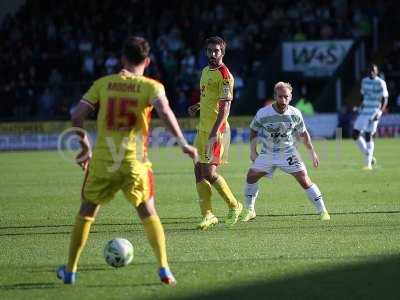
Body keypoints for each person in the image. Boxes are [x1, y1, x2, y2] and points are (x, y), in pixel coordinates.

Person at [56, 36, 197, 286]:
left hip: (103, 162)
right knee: (148, 211)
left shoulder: (103, 84)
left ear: (122, 58)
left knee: (87, 212)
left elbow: (77, 114)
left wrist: (83, 148)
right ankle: (164, 269)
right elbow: (165, 112)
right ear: (147, 60)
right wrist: (183, 143)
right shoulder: (152, 87)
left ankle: (70, 270)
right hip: (135, 161)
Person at [241, 82, 330, 222]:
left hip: (288, 152)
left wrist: (312, 152)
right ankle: (250, 210)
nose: (283, 100)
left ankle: (323, 211)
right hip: (268, 153)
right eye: (280, 96)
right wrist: (253, 151)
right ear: (275, 96)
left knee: (304, 179)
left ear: (291, 97)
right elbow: (253, 130)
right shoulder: (263, 113)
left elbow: (303, 134)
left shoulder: (295, 113)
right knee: (251, 176)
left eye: (286, 97)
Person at [188, 36, 243, 230]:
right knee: (198, 170)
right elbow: (210, 97)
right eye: (210, 50)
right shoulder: (205, 71)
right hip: (202, 129)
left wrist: (213, 133)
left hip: (216, 131)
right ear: (206, 51)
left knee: (209, 173)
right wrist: (198, 105)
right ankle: (208, 214)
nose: (213, 54)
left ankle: (234, 205)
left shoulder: (225, 75)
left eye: (216, 51)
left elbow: (225, 108)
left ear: (223, 53)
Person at [352, 64, 389, 170]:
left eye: (373, 70)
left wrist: (380, 112)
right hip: (364, 111)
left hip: (374, 111)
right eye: (370, 70)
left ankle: (367, 164)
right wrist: (358, 107)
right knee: (355, 134)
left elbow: (384, 99)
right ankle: (370, 156)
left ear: (377, 72)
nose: (371, 72)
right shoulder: (364, 81)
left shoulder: (381, 83)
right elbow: (363, 96)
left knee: (369, 135)